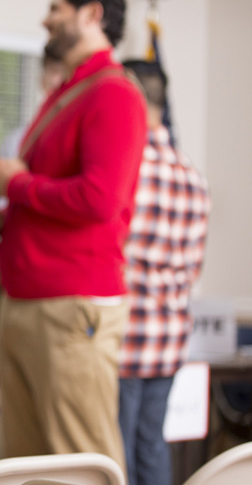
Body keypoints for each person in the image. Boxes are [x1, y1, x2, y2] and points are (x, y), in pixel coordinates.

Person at [0, 0, 147, 471]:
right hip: (29, 300)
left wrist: (16, 187)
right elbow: (51, 195)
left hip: (71, 305)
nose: (46, 18)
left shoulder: (113, 94)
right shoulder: (68, 93)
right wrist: (1, 215)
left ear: (92, 15)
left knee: (81, 464)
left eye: (57, 7)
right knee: (32, 468)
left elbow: (99, 199)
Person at [117, 59, 210, 485]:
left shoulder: (125, 166)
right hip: (170, 336)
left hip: (123, 335)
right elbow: (194, 266)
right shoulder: (192, 174)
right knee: (152, 445)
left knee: (116, 452)